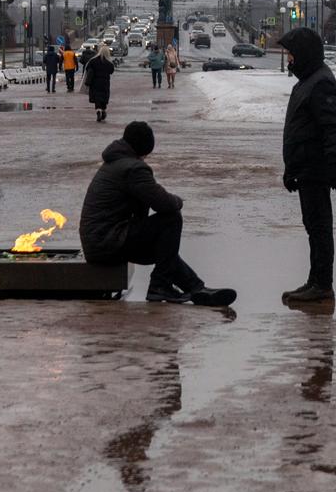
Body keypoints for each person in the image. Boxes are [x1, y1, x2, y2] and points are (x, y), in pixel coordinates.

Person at [80, 121, 237, 306]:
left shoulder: (115, 163)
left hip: (99, 242)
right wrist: (178, 201)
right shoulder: (133, 169)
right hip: (108, 242)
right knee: (171, 219)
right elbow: (163, 203)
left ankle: (195, 288)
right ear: (145, 146)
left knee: (164, 249)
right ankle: (160, 286)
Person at [278, 27, 336, 304]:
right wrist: (291, 170)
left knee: (319, 228)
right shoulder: (307, 81)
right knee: (313, 226)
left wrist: (334, 166)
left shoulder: (321, 83)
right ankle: (315, 280)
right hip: (306, 168)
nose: (289, 59)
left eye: (291, 54)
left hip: (317, 168)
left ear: (304, 54)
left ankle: (322, 284)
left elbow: (332, 128)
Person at [85, 44, 115, 122]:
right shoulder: (108, 63)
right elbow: (111, 71)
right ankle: (103, 110)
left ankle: (98, 111)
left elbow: (87, 68)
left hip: (95, 82)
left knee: (97, 98)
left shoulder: (93, 61)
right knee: (104, 98)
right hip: (105, 83)